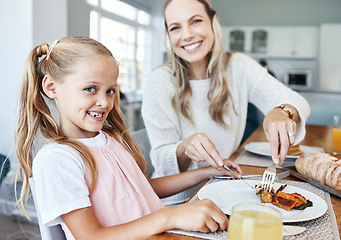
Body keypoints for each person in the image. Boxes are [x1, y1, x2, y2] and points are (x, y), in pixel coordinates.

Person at [15, 37, 241, 239]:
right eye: (91, 89)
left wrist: (206, 172)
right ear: (52, 87)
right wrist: (171, 215)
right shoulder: (57, 159)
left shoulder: (109, 139)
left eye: (110, 90)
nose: (104, 102)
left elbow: (140, 188)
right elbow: (90, 236)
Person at [142, 0, 310, 205]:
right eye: (175, 27)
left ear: (213, 22)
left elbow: (296, 101)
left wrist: (281, 111)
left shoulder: (238, 66)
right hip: (175, 201)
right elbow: (160, 160)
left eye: (195, 21)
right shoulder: (159, 80)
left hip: (222, 190)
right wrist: (184, 147)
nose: (186, 35)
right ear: (168, 35)